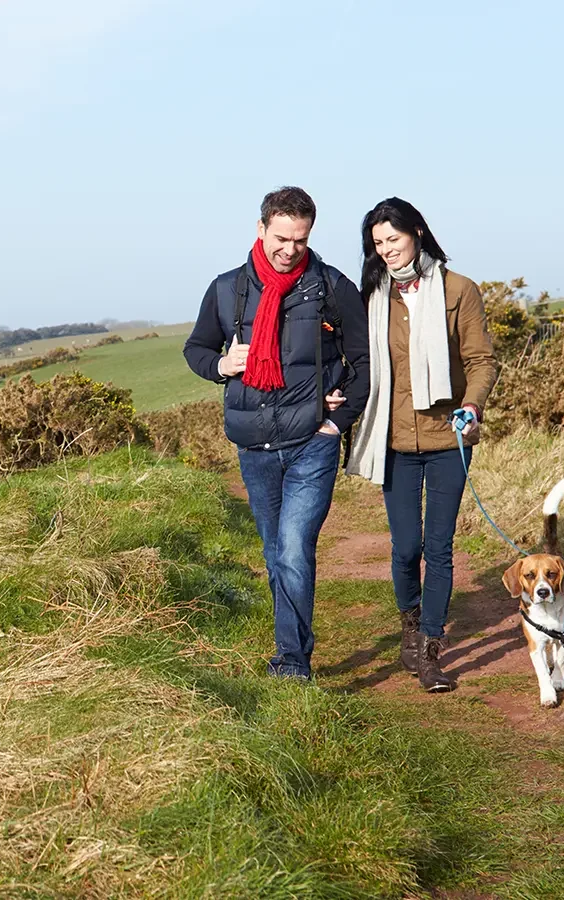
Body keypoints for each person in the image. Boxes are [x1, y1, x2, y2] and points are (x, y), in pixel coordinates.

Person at [183, 186, 370, 681]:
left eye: (300, 240)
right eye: (281, 238)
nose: (290, 249)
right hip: (255, 448)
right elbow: (196, 350)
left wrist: (337, 419)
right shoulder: (226, 290)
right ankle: (293, 644)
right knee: (274, 553)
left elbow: (365, 361)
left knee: (292, 547)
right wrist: (224, 363)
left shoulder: (330, 286)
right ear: (261, 229)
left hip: (312, 443)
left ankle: (292, 660)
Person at [346, 197, 499, 692]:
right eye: (378, 243)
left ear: (416, 232)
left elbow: (481, 361)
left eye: (394, 239)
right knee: (406, 546)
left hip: (447, 437)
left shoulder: (459, 290)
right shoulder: (372, 296)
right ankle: (409, 625)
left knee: (440, 547)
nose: (387, 250)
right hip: (392, 441)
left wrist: (472, 406)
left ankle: (432, 649)